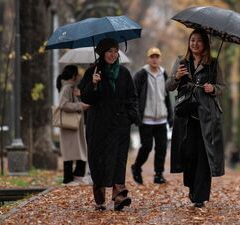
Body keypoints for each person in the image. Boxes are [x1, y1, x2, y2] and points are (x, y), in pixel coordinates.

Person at [166, 29, 225, 208]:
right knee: (189, 153)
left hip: (207, 117)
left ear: (205, 44)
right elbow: (169, 86)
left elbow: (222, 86)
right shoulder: (181, 62)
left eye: (199, 41)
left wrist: (212, 88)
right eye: (192, 40)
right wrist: (177, 77)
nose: (195, 43)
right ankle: (192, 186)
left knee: (204, 156)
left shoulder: (213, 63)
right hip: (186, 116)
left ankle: (200, 196)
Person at [78, 38, 139, 211]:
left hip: (120, 125)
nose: (112, 55)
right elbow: (85, 98)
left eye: (115, 51)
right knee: (98, 160)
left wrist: (130, 116)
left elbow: (132, 97)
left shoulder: (124, 73)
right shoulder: (92, 72)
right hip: (98, 125)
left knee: (119, 160)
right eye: (109, 51)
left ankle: (119, 196)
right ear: (102, 53)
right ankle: (100, 197)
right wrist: (93, 84)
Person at [130, 47, 173, 185]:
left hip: (161, 118)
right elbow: (134, 95)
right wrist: (136, 115)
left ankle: (158, 174)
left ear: (160, 59)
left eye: (157, 57)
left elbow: (166, 97)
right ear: (148, 59)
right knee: (147, 147)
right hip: (146, 119)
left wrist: (170, 115)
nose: (154, 59)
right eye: (152, 57)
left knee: (161, 148)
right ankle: (136, 167)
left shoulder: (164, 74)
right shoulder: (141, 74)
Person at [56, 65, 91, 185]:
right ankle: (68, 178)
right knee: (70, 152)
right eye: (77, 74)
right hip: (69, 126)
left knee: (79, 150)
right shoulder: (66, 88)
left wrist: (78, 97)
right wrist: (79, 105)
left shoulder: (71, 88)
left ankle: (77, 175)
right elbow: (63, 104)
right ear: (73, 75)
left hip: (74, 125)